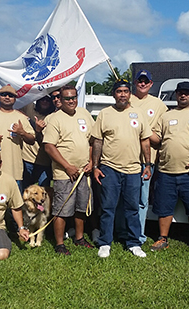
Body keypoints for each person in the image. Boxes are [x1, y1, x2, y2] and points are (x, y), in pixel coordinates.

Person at [149, 81, 189, 256]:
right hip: (166, 170)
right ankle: (163, 238)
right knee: (164, 207)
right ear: (176, 95)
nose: (183, 95)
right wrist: (143, 128)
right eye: (180, 93)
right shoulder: (166, 116)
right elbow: (157, 138)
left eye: (186, 93)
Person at [91, 79, 151, 258]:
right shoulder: (105, 114)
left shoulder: (138, 113)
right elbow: (98, 141)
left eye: (125, 91)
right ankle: (105, 242)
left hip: (133, 169)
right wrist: (95, 166)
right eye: (119, 91)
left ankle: (134, 243)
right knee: (108, 207)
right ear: (113, 94)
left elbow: (145, 140)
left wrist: (147, 164)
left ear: (130, 94)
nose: (122, 94)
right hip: (109, 168)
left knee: (132, 208)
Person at [115, 70, 168, 244]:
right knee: (123, 198)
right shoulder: (126, 100)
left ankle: (138, 234)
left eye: (146, 81)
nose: (143, 84)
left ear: (151, 84)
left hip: (146, 160)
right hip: (124, 158)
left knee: (141, 199)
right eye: (139, 81)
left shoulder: (159, 105)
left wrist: (144, 133)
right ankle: (122, 231)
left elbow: (161, 135)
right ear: (134, 83)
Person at [43, 85, 95, 255]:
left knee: (81, 207)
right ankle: (59, 244)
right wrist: (67, 166)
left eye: (74, 97)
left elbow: (91, 141)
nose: (71, 101)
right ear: (60, 101)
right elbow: (49, 147)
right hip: (64, 174)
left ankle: (79, 238)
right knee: (62, 210)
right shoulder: (55, 119)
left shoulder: (84, 114)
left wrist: (91, 162)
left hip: (83, 172)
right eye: (67, 98)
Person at [20, 94, 56, 189]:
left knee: (44, 191)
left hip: (45, 160)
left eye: (48, 100)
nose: (44, 101)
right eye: (42, 99)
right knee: (26, 189)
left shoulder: (54, 116)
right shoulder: (29, 107)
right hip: (28, 158)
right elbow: (16, 106)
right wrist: (24, 116)